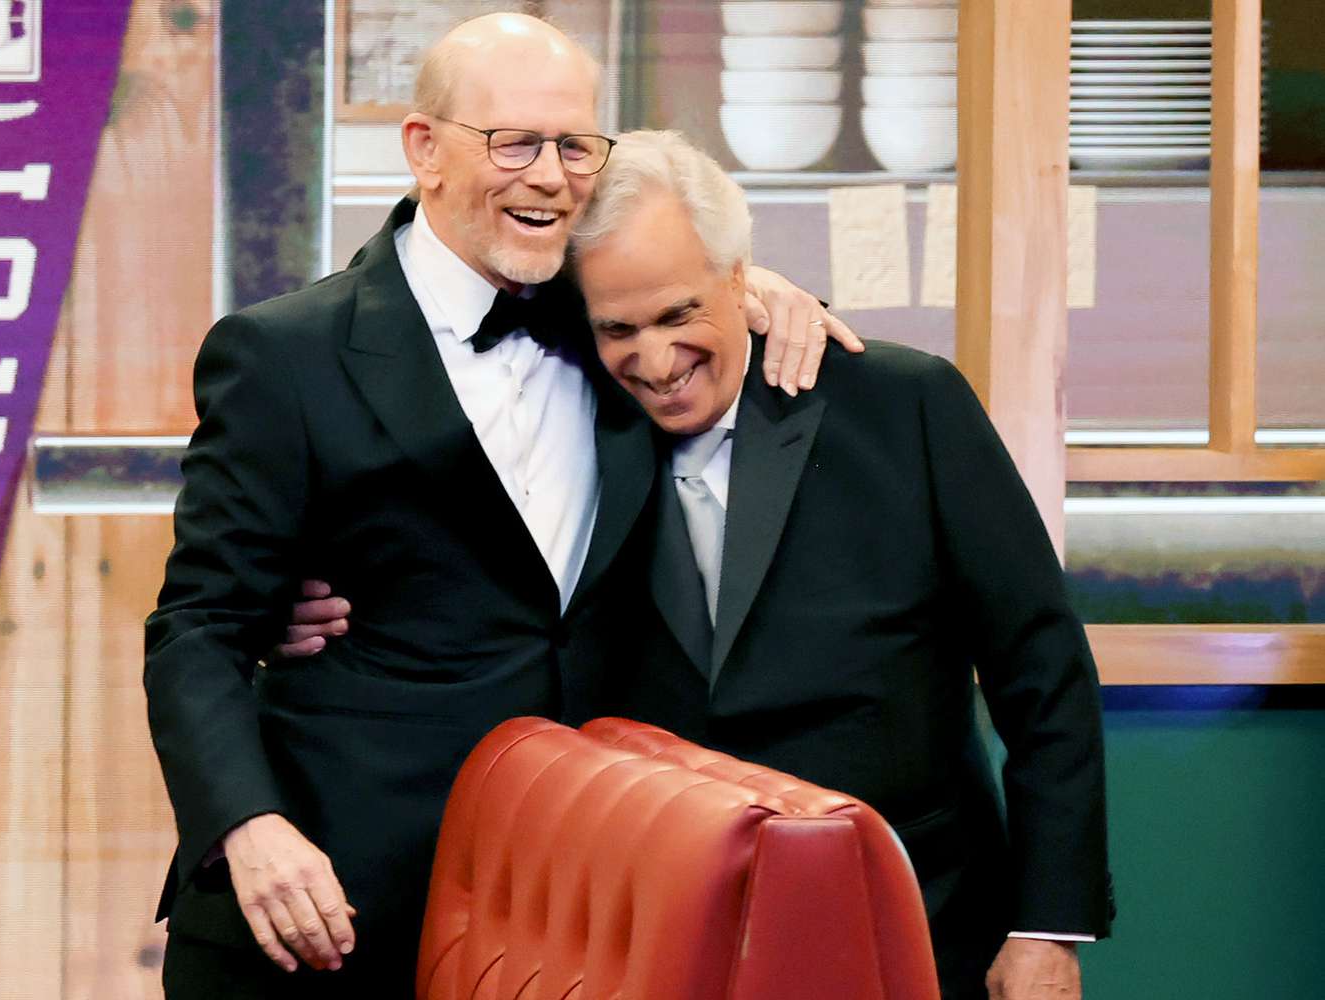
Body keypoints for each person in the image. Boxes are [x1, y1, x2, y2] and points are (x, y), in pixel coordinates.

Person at [288, 132, 1116, 999]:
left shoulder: (904, 405)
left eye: (680, 314)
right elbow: (408, 351)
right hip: (660, 948)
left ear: (741, 278)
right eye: (618, 328)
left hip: (916, 926)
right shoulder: (565, 423)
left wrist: (1045, 929)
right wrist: (283, 606)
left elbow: (1041, 669)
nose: (654, 362)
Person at [144, 15, 859, 999]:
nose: (551, 174)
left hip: (573, 919)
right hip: (329, 908)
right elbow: (197, 628)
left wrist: (760, 289)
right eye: (515, 142)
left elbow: (696, 300)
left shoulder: (621, 330)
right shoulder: (285, 355)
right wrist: (246, 827)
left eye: (575, 146)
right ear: (424, 150)